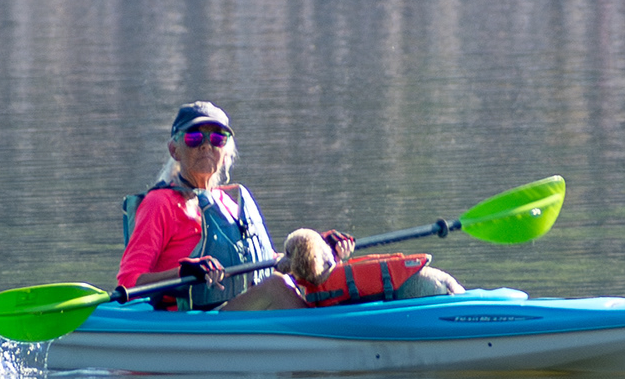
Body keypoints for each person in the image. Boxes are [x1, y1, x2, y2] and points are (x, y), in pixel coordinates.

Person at [116, 100, 301, 310]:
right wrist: (183, 273)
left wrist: (311, 252)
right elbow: (128, 281)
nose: (206, 145)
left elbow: (262, 262)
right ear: (174, 150)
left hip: (235, 308)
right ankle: (319, 337)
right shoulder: (159, 204)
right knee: (276, 287)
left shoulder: (227, 204)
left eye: (217, 138)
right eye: (194, 138)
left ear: (225, 153)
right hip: (192, 318)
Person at [281, 228, 461, 304]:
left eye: (288, 254)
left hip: (422, 286)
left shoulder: (320, 288)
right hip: (429, 277)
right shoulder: (325, 271)